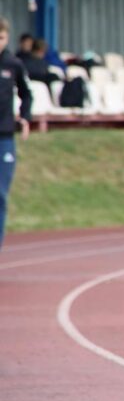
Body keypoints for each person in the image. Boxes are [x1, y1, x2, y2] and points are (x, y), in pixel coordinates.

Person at [0, 18, 32, 251]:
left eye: (0, 38)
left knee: (0, 195)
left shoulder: (13, 64)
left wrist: (25, 116)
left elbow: (26, 93)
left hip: (4, 138)